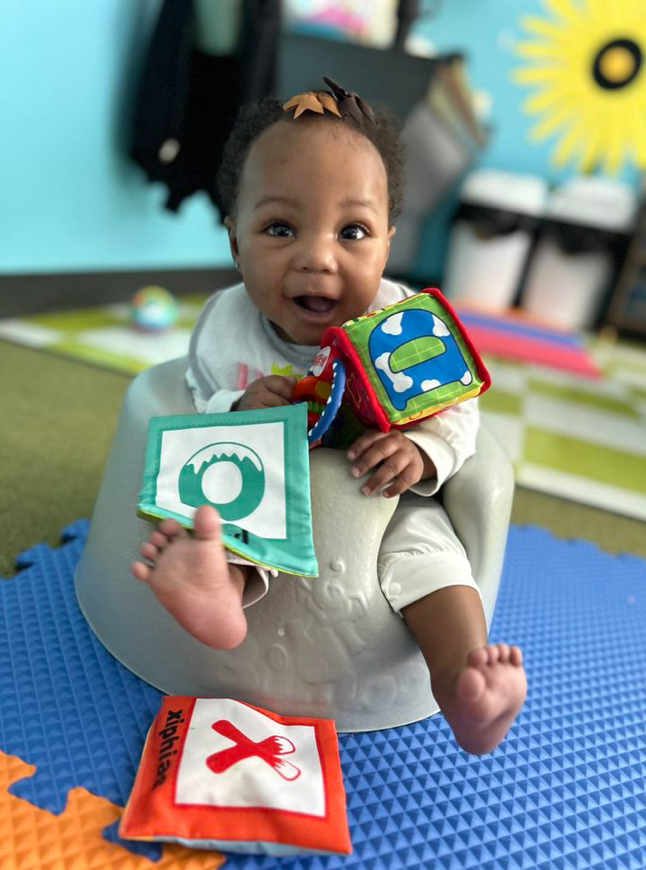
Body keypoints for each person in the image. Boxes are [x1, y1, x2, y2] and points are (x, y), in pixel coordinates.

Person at [132, 79, 526, 755]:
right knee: (223, 504)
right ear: (235, 241)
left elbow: (460, 410)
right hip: (275, 488)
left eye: (352, 232)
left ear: (388, 244)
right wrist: (239, 408)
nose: (318, 256)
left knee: (431, 554)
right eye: (281, 228)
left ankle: (463, 682)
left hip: (384, 495)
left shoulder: (403, 325)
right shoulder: (228, 325)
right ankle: (217, 593)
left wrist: (424, 452)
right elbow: (198, 398)